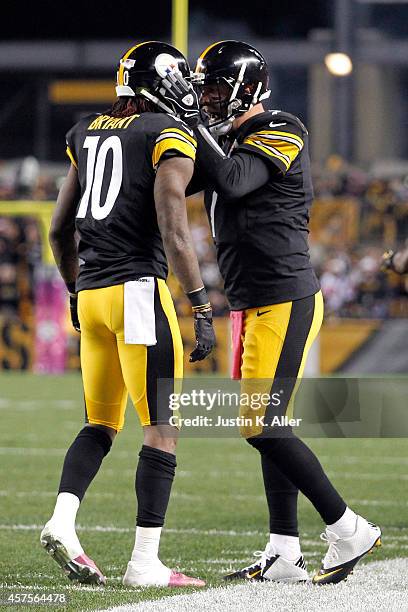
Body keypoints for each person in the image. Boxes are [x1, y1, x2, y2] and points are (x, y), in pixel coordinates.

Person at [162, 40, 381, 585]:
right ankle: (284, 549)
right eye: (201, 90)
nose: (206, 99)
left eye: (214, 89)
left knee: (260, 424)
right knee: (267, 425)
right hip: (251, 300)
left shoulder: (282, 126)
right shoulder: (226, 138)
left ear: (242, 89)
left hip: (285, 295)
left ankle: (347, 525)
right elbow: (181, 181)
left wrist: (192, 122)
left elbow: (235, 181)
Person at [41, 41, 215, 588]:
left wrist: (73, 289)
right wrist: (202, 304)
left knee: (100, 422)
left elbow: (57, 229)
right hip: (138, 293)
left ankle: (63, 522)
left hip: (91, 294)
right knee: (162, 427)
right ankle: (144, 562)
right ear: (159, 84)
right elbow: (173, 229)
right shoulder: (166, 131)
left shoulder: (86, 131)